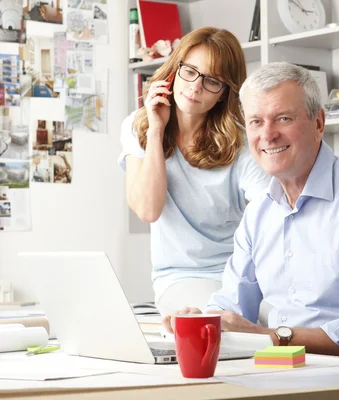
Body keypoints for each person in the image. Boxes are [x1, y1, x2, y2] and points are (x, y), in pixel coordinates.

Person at [163, 62, 339, 355]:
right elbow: (232, 305)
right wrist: (201, 320)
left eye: (283, 118)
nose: (268, 135)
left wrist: (270, 337)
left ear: (319, 123)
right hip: (276, 367)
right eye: (256, 121)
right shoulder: (259, 211)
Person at [118, 27, 270, 316]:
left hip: (240, 272)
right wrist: (156, 130)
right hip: (180, 276)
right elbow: (148, 210)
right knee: (215, 320)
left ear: (224, 94)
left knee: (288, 321)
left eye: (212, 80)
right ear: (175, 69)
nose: (196, 87)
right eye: (190, 71)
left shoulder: (239, 142)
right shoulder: (138, 125)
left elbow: (270, 208)